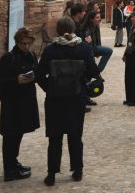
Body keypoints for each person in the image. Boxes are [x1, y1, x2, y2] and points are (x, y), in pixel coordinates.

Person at [35, 17, 99, 187]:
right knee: (75, 136)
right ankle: (77, 170)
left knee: (55, 137)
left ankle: (51, 174)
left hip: (55, 99)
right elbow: (93, 71)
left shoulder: (51, 50)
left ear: (57, 30)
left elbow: (39, 74)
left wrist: (49, 88)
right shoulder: (83, 48)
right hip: (76, 98)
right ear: (73, 30)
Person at [0, 27, 40, 181]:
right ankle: (9, 170)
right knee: (10, 135)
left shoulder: (31, 55)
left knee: (19, 133)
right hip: (12, 103)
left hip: (25, 101)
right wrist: (16, 79)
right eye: (23, 43)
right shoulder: (8, 58)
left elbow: (37, 72)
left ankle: (13, 162)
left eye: (28, 43)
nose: (26, 46)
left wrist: (34, 77)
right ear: (17, 42)